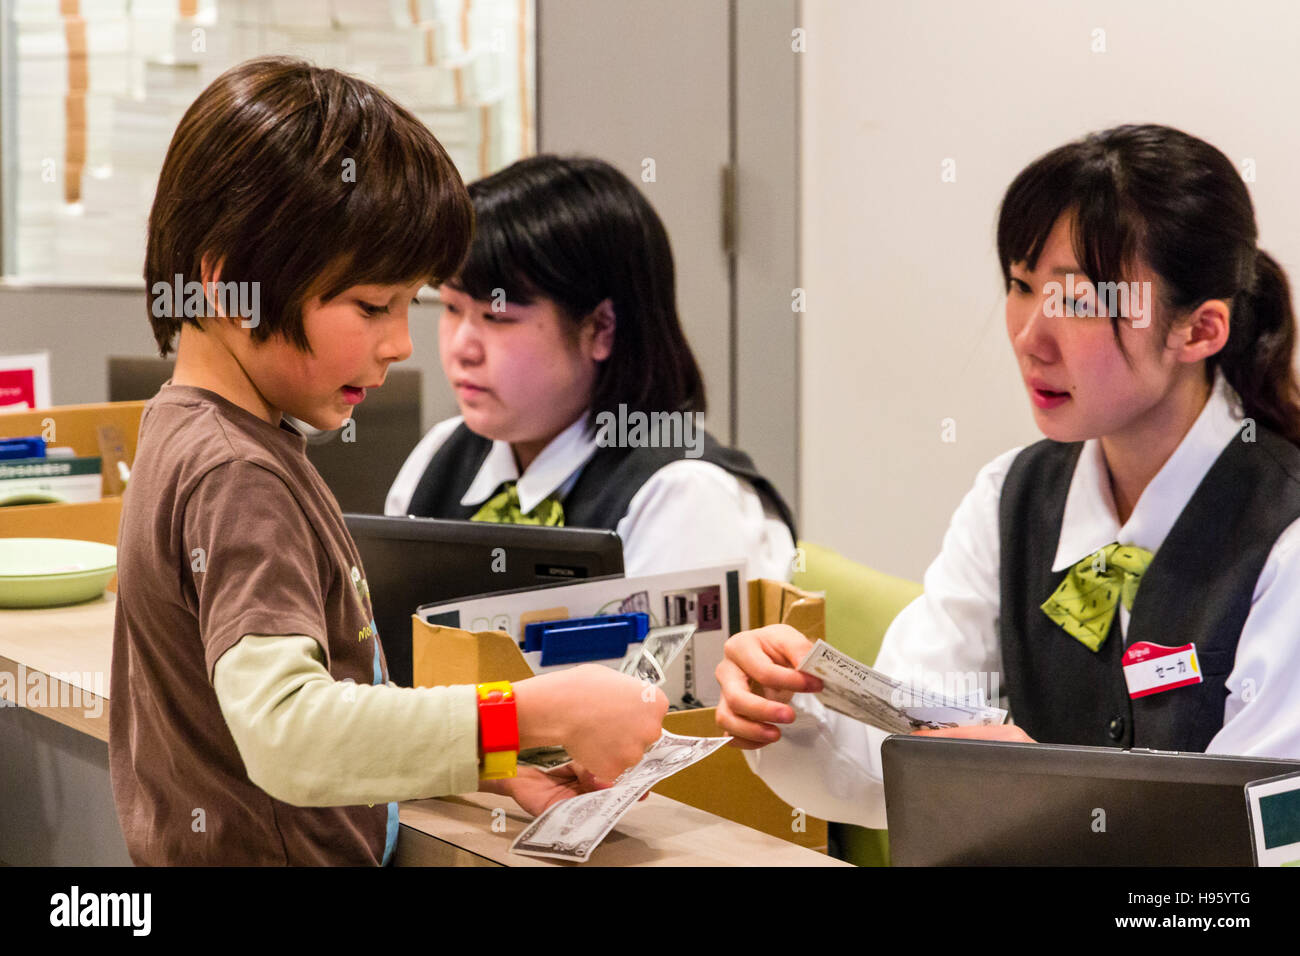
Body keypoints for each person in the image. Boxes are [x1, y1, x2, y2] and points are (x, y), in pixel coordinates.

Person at [110, 56, 667, 866]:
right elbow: (290, 732)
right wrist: (525, 716)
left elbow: (329, 704)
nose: (402, 344)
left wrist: (489, 762)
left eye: (412, 305)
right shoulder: (237, 473)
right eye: (371, 306)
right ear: (230, 288)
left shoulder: (194, 429)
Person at [715, 124, 1300, 830]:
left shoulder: (1282, 531)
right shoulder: (1013, 498)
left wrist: (1036, 787)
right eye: (1021, 287)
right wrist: (789, 707)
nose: (1030, 336)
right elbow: (899, 742)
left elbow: (1261, 834)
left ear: (1201, 330)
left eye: (1079, 302)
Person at [385, 155, 797, 580]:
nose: (462, 348)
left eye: (497, 317)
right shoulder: (442, 453)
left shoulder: (684, 496)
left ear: (601, 328)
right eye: (452, 309)